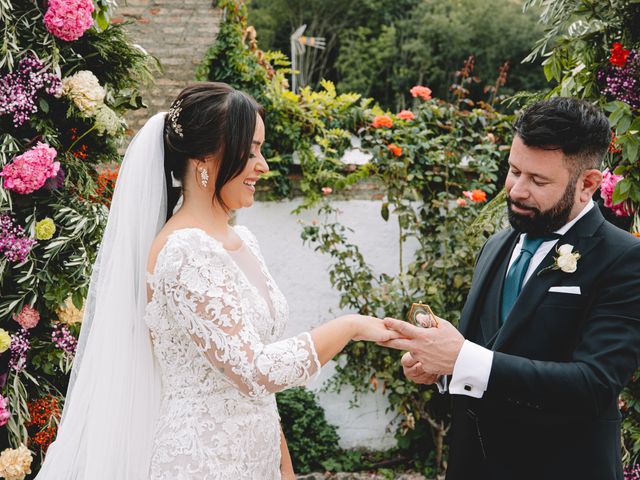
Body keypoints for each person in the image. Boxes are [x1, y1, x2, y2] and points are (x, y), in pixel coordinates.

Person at [35, 83, 398, 480]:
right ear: (204, 159)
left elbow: (254, 379)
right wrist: (350, 326)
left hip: (256, 455)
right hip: (202, 460)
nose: (263, 165)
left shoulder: (244, 243)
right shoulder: (184, 250)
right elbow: (255, 371)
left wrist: (283, 465)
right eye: (251, 150)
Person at [380, 97, 640, 480]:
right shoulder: (497, 245)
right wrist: (438, 369)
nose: (516, 190)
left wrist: (461, 359)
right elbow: (487, 352)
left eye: (537, 180)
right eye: (514, 170)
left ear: (587, 185)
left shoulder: (625, 259)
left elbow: (593, 384)